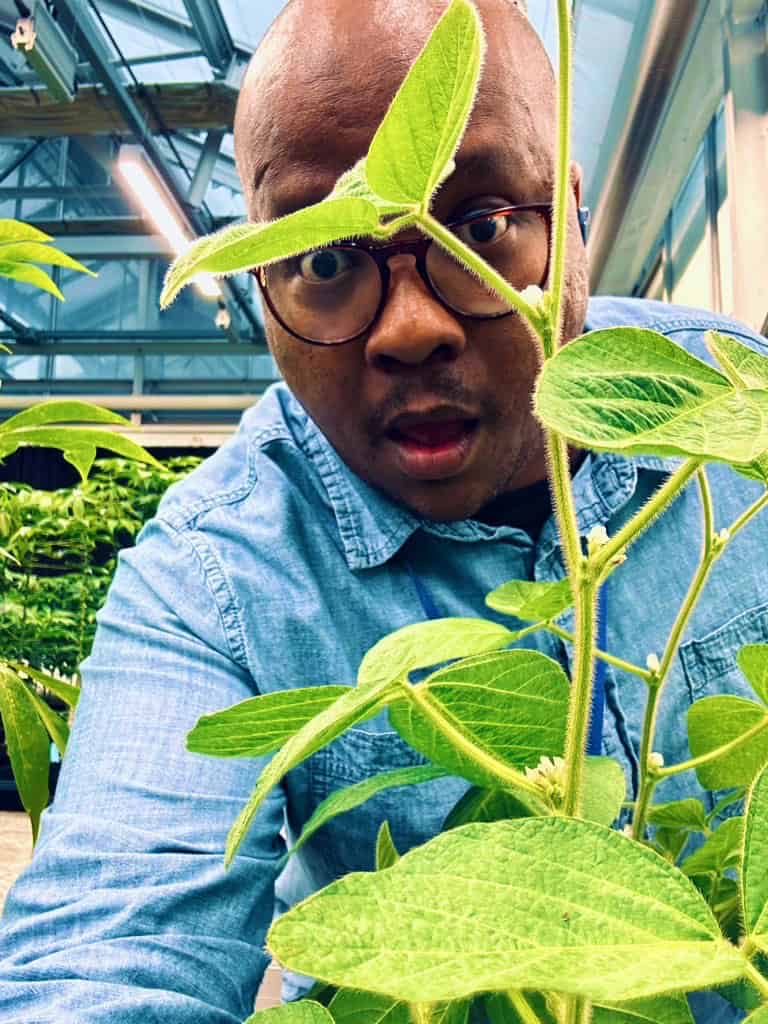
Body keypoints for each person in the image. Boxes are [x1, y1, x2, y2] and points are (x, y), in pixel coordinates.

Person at [0, 1, 765, 1021]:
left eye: (483, 224)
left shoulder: (735, 406)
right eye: (323, 259)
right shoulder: (216, 578)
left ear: (573, 218)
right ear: (262, 281)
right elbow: (106, 959)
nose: (410, 327)